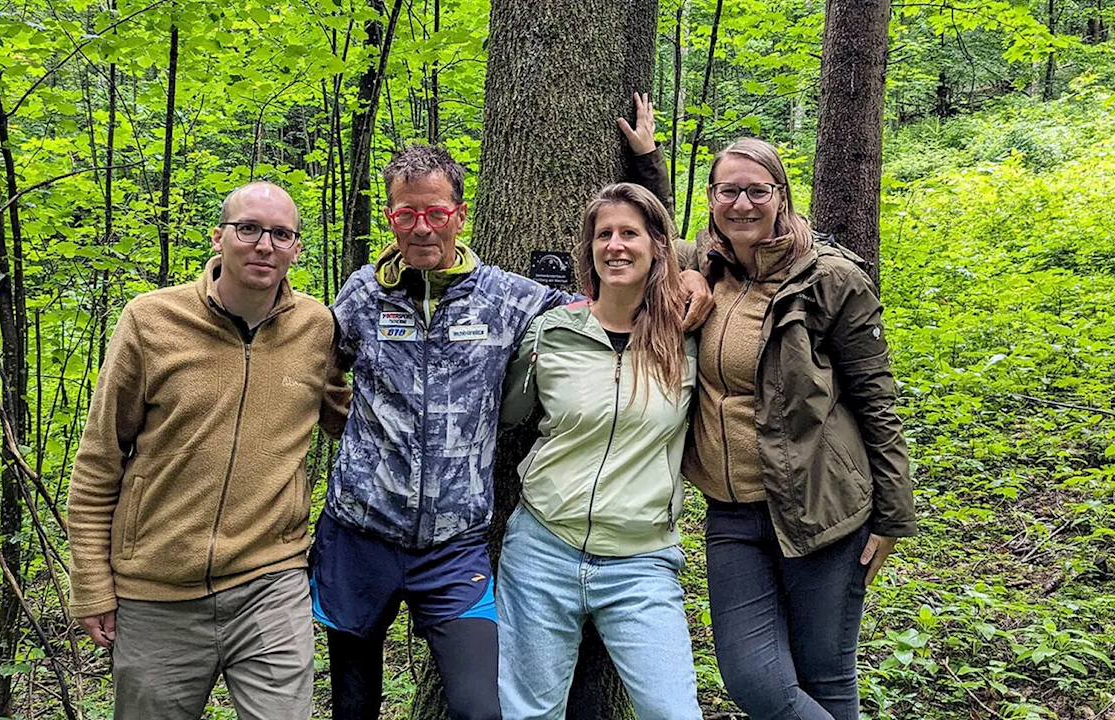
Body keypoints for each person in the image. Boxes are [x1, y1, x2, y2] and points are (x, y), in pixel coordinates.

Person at [310, 97, 714, 720]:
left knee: (481, 708)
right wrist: (343, 421)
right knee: (352, 704)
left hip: (454, 545)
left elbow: (619, 275)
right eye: (405, 213)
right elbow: (311, 364)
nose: (421, 227)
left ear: (459, 215)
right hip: (358, 532)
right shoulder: (362, 294)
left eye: (436, 212)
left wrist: (688, 268)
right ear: (390, 216)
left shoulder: (508, 299)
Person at [66, 182, 351, 720]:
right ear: (220, 237)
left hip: (271, 581)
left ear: (295, 248)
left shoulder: (317, 328)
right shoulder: (150, 322)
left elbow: (354, 420)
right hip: (157, 592)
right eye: (249, 229)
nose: (264, 245)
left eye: (281, 234)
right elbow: (99, 461)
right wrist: (91, 584)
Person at [681, 137, 918, 720]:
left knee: (825, 676)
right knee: (753, 680)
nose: (742, 204)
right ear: (711, 198)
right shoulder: (704, 265)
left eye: (757, 190)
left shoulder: (831, 278)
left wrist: (892, 516)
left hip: (822, 509)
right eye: (727, 191)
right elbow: (640, 235)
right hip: (733, 514)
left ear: (781, 196)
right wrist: (643, 162)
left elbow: (875, 401)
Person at [495, 183, 702, 720]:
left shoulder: (688, 338)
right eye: (603, 234)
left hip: (641, 561)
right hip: (543, 548)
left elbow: (727, 245)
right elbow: (508, 414)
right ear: (588, 249)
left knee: (674, 712)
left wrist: (698, 272)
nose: (615, 245)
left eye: (629, 233)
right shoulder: (552, 332)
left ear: (658, 246)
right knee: (530, 714)